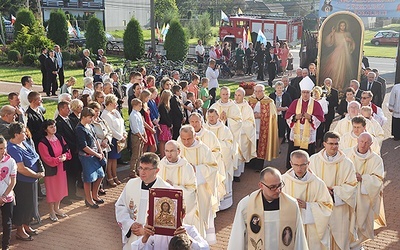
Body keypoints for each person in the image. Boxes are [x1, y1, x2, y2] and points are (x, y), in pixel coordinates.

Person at [228, 167, 308, 249]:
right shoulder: (246, 205)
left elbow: (299, 237)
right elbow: (237, 237)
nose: (278, 190)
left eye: (280, 185)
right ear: (261, 185)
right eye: (272, 187)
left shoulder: (291, 205)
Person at [308, 132, 357, 250]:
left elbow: (352, 185)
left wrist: (334, 192)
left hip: (339, 208)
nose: (334, 147)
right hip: (319, 206)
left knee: (339, 237)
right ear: (324, 144)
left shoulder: (347, 163)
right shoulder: (313, 160)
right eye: (330, 144)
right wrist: (323, 190)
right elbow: (308, 181)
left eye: (336, 144)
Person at [115, 153, 172, 250]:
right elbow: (120, 206)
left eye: (146, 169)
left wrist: (145, 232)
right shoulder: (131, 184)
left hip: (153, 239)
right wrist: (130, 224)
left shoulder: (166, 190)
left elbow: (168, 221)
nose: (142, 172)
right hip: (133, 234)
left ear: (157, 170)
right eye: (140, 168)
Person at [282, 150, 333, 249]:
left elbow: (327, 206)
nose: (299, 168)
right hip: (290, 224)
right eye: (296, 165)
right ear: (290, 163)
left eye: (302, 165)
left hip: (311, 228)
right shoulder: (283, 180)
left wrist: (307, 206)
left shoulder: (318, 183)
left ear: (308, 163)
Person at [343, 132, 386, 249]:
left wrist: (363, 178)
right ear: (357, 140)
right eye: (361, 141)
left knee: (360, 223)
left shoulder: (376, 160)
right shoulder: (346, 154)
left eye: (366, 142)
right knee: (345, 221)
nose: (363, 144)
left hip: (364, 197)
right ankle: (346, 244)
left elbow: (378, 179)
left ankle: (357, 245)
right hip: (348, 194)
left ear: (371, 144)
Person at [178, 125, 218, 243]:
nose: (186, 142)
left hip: (200, 190)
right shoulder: (177, 146)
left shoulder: (203, 149)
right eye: (183, 139)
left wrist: (196, 169)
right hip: (182, 189)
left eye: (189, 139)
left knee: (199, 217)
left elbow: (213, 167)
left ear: (194, 136)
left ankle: (199, 242)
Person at [7, 122, 44, 241]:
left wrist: (41, 170)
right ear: (16, 134)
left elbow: (36, 156)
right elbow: (21, 168)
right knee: (22, 207)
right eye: (23, 132)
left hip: (32, 181)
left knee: (30, 206)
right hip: (22, 183)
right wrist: (36, 175)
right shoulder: (12, 148)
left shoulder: (24, 143)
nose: (25, 134)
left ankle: (27, 225)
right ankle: (20, 231)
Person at [157, 140, 200, 231]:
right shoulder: (161, 165)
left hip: (182, 204)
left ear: (178, 151)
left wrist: (174, 187)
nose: (169, 154)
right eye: (167, 151)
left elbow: (192, 189)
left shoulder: (186, 167)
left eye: (172, 151)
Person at [285, 76, 324, 169]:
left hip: (308, 133)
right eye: (303, 92)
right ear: (301, 92)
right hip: (296, 133)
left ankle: (308, 168)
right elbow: (287, 116)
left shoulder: (315, 104)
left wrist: (310, 118)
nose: (305, 95)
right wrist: (295, 117)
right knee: (294, 151)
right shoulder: (295, 102)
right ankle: (292, 167)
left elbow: (320, 118)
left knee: (308, 153)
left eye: (307, 92)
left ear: (310, 93)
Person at [37, 119, 71, 222]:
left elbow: (67, 150)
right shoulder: (43, 143)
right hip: (51, 170)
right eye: (51, 127)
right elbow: (46, 158)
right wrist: (58, 159)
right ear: (45, 129)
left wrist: (65, 156)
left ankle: (57, 208)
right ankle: (51, 211)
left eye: (54, 126)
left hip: (61, 169)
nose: (54, 128)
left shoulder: (60, 138)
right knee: (52, 190)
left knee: (60, 188)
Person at [75, 107, 106, 209]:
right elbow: (84, 146)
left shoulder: (90, 126)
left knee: (100, 175)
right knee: (88, 179)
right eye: (89, 117)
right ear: (83, 117)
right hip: (86, 157)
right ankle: (88, 199)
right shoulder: (80, 129)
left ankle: (95, 195)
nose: (91, 119)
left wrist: (100, 151)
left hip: (95, 155)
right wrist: (96, 154)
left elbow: (96, 139)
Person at [55, 101, 83, 204]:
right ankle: (64, 196)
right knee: (66, 175)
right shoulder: (58, 122)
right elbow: (62, 137)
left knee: (74, 173)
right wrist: (71, 147)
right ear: (61, 109)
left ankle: (72, 193)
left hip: (74, 152)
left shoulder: (70, 120)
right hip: (67, 152)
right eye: (66, 108)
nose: (69, 110)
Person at [210, 87, 242, 170]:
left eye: (227, 94)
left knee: (230, 154)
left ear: (229, 94)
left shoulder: (234, 107)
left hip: (230, 135)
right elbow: (208, 120)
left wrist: (227, 120)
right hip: (217, 136)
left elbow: (239, 121)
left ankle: (232, 174)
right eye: (223, 94)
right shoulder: (214, 106)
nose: (225, 96)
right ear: (220, 94)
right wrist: (218, 119)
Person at [248, 84, 279, 170]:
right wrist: (252, 115)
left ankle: (259, 165)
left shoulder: (269, 102)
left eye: (260, 91)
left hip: (264, 127)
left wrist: (261, 115)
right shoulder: (250, 100)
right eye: (256, 91)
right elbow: (245, 111)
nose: (257, 93)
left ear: (263, 92)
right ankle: (251, 163)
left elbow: (273, 115)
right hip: (252, 126)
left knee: (261, 145)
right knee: (253, 143)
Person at [321, 20, 356, 92]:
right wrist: (332, 33)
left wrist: (349, 40)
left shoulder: (347, 33)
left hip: (344, 54)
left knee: (342, 70)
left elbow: (352, 44)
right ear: (339, 26)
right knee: (334, 68)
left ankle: (340, 85)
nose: (342, 27)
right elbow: (329, 42)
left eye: (344, 25)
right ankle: (333, 85)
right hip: (337, 52)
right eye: (341, 25)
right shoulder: (336, 34)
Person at [88, 102, 112, 195]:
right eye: (95, 111)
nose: (97, 113)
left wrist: (106, 140)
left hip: (105, 147)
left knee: (104, 167)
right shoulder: (90, 123)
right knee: (97, 169)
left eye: (98, 111)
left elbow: (109, 132)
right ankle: (95, 189)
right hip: (96, 149)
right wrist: (100, 142)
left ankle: (100, 186)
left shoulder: (102, 121)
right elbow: (91, 136)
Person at [234, 88, 257, 181]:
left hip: (242, 135)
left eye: (239, 95)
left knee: (240, 155)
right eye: (235, 95)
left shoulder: (247, 108)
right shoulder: (231, 105)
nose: (237, 97)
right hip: (232, 134)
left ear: (243, 96)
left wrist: (238, 125)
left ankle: (237, 174)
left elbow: (250, 122)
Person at [0, 136, 17, 249]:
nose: (3, 151)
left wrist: (4, 196)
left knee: (7, 223)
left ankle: (5, 246)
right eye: (0, 148)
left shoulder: (11, 161)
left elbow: (13, 181)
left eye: (4, 148)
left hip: (7, 197)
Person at [129, 98, 147, 175]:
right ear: (134, 106)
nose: (141, 107)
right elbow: (136, 129)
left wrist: (145, 134)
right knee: (135, 154)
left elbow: (142, 125)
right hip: (136, 136)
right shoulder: (133, 115)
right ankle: (132, 171)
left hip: (141, 134)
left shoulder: (138, 114)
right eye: (139, 106)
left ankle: (138, 169)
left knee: (140, 154)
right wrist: (142, 137)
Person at [158, 90, 173, 159]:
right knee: (162, 141)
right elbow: (164, 117)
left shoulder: (165, 106)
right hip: (163, 125)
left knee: (166, 140)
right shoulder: (162, 106)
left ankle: (165, 154)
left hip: (166, 125)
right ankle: (162, 155)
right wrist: (169, 124)